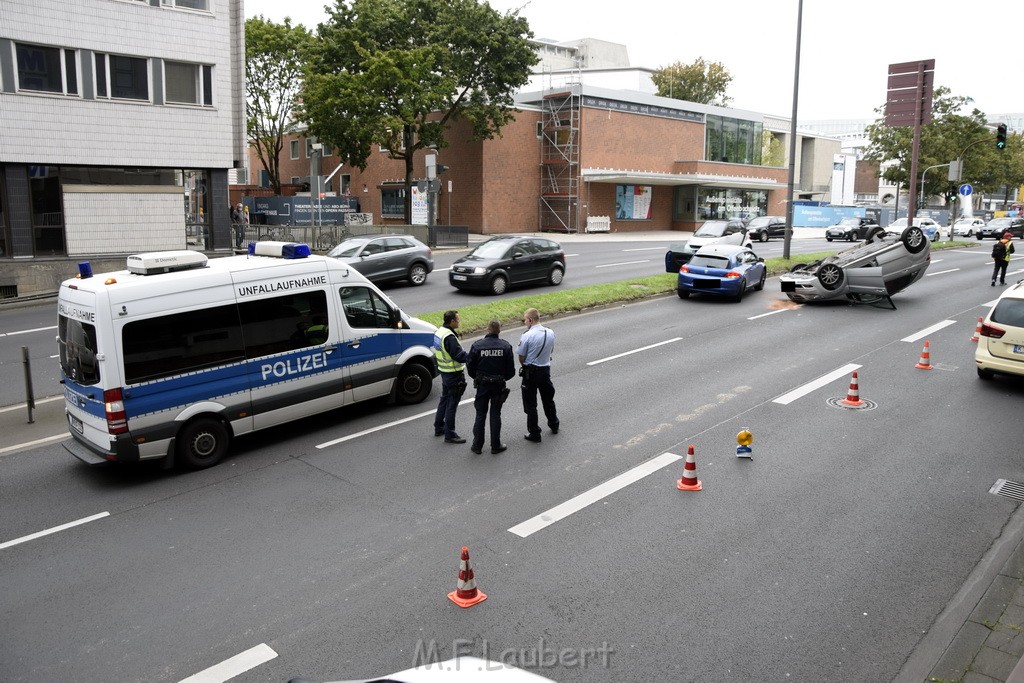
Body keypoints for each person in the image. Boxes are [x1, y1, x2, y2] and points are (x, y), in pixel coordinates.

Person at [466, 320, 516, 454]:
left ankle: (477, 446)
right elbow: (511, 371)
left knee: (480, 414)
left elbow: (470, 366)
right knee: (495, 414)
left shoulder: (477, 346)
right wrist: (500, 378)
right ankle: (495, 445)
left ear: (487, 329)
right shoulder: (505, 346)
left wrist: (478, 378)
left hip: (482, 386)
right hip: (498, 386)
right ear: (499, 330)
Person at [517, 308, 559, 443]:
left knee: (531, 404)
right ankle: (554, 424)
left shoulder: (527, 335)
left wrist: (526, 366)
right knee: (548, 399)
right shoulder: (550, 332)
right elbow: (550, 350)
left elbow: (521, 356)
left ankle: (535, 433)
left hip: (531, 373)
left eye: (525, 320)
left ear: (530, 320)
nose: (525, 322)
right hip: (545, 371)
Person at [433, 310, 469, 443]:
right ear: (452, 321)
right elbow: (458, 356)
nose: (459, 322)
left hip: (444, 372)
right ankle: (450, 434)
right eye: (458, 320)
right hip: (454, 374)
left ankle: (439, 427)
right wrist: (473, 357)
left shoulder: (439, 332)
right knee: (452, 404)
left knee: (444, 399)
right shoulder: (449, 337)